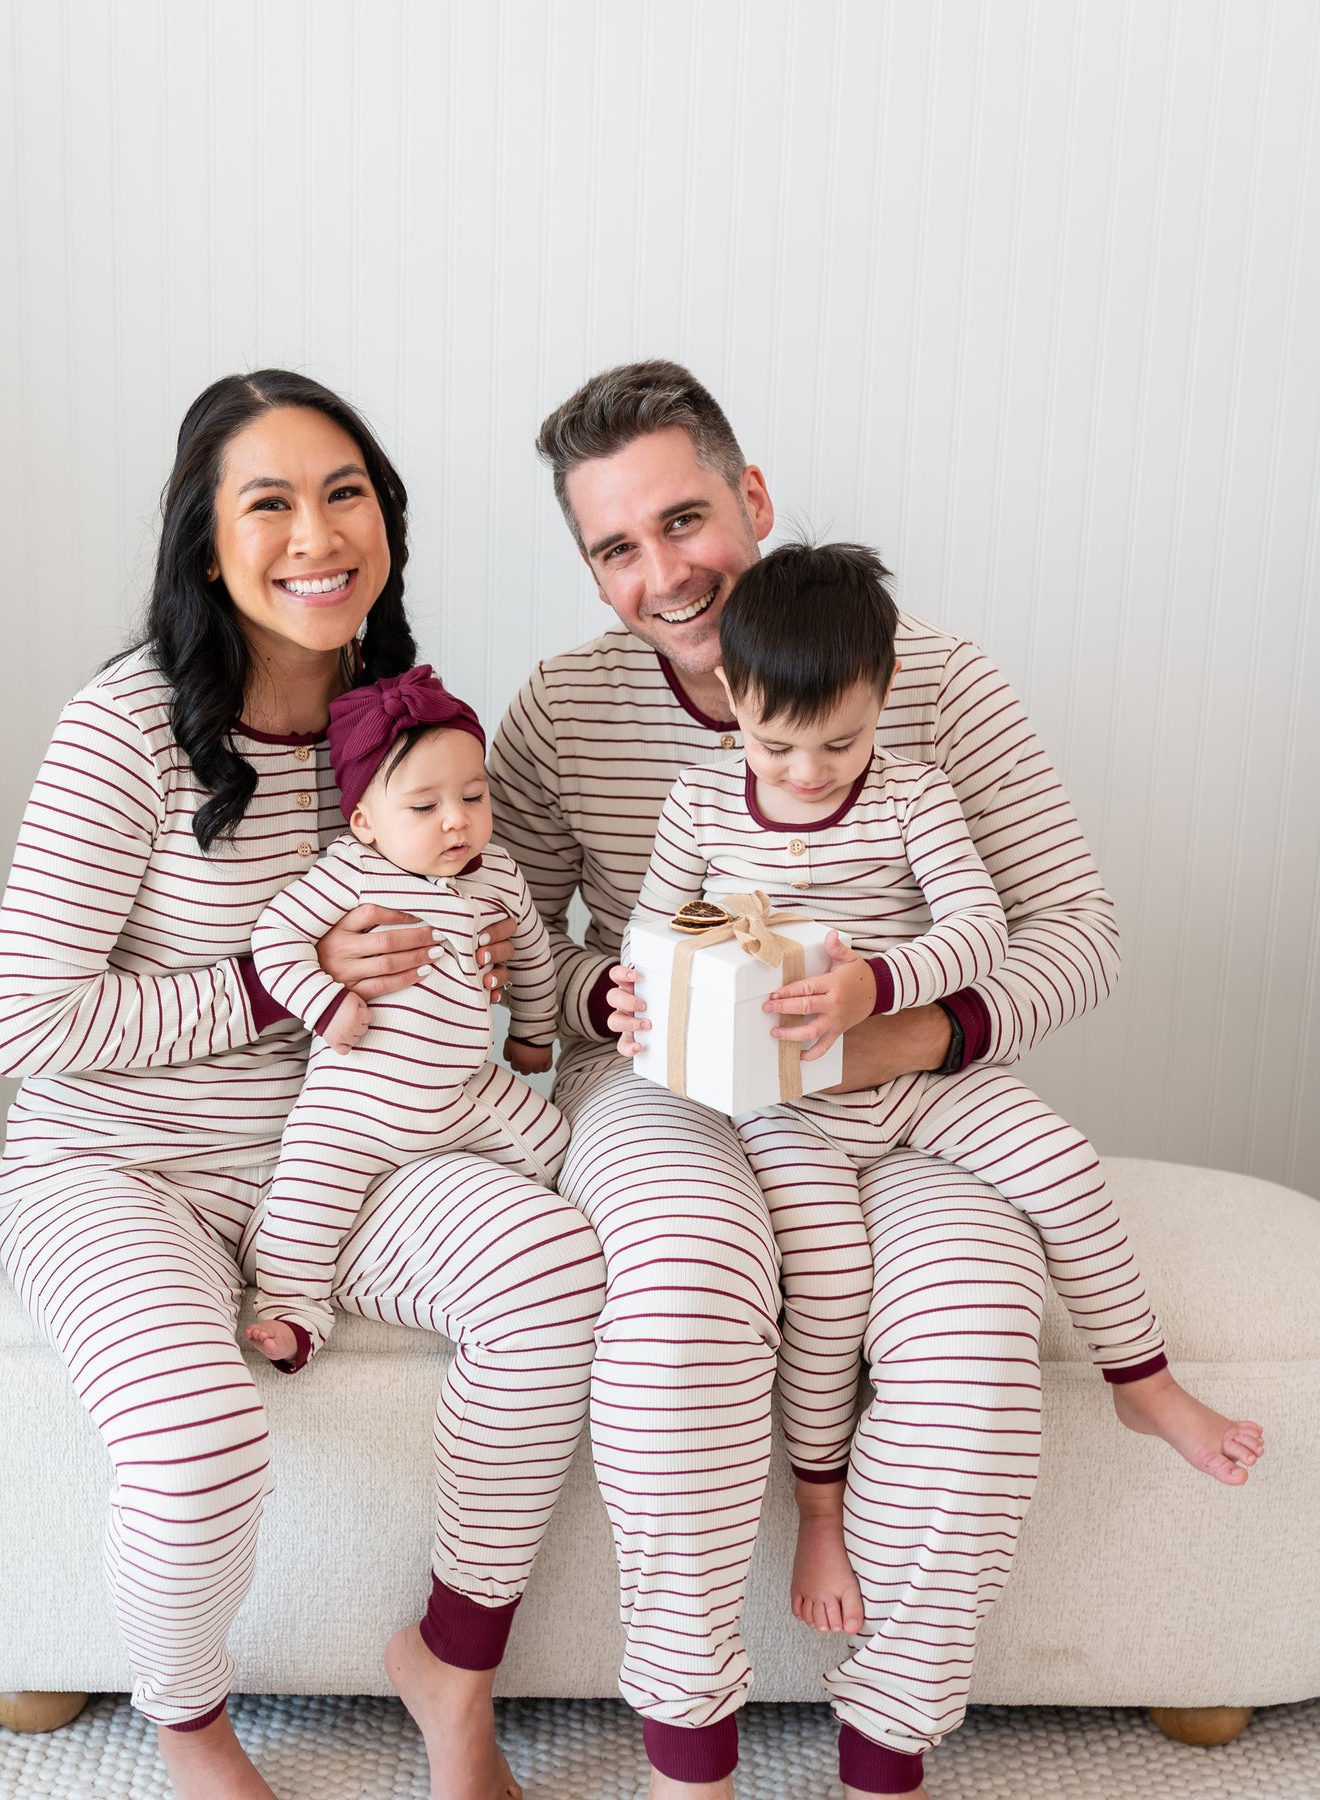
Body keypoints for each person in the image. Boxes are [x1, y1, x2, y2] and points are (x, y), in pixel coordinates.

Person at [487, 359, 1121, 1799]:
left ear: (753, 499)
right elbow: (514, 933)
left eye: (686, 519)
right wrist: (603, 991)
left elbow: (1080, 933)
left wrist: (900, 1036)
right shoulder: (566, 708)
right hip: (665, 1089)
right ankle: (687, 1762)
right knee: (689, 1276)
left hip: (904, 1098)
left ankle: (887, 1746)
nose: (664, 573)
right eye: (615, 548)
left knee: (971, 1334)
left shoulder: (933, 683)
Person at [0, 370, 604, 1800]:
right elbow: (23, 1023)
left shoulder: (414, 732)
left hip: (351, 1159)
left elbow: (493, 949)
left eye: (348, 495)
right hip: (118, 1168)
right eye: (269, 502)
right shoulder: (123, 733)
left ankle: (453, 1661)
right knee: (198, 1442)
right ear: (208, 543)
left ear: (386, 523)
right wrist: (276, 977)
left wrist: (566, 998)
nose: (318, 533)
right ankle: (192, 1727)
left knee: (555, 1268)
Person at [626, 538, 1265, 1649]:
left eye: (842, 740)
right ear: (732, 695)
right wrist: (648, 997)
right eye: (778, 745)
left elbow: (981, 931)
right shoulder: (696, 807)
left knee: (1063, 1163)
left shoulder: (915, 799)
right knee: (826, 1283)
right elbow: (650, 932)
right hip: (788, 1106)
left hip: (918, 1076)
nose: (811, 771)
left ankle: (1143, 1380)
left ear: (883, 696)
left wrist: (876, 983)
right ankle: (820, 1510)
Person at [244, 666, 569, 1370]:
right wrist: (325, 1001)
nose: (457, 819)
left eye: (473, 796)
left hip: (461, 1092)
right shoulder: (349, 872)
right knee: (305, 1203)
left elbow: (534, 952)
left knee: (557, 1145)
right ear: (365, 821)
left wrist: (533, 1034)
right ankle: (294, 1313)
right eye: (424, 808)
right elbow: (275, 941)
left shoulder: (497, 873)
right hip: (355, 1108)